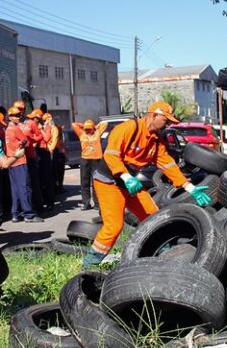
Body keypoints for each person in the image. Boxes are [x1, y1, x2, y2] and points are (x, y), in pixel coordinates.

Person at [82, 101, 213, 268]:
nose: (168, 124)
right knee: (114, 226)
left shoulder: (156, 140)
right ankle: (89, 264)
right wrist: (126, 176)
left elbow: (168, 165)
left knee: (153, 216)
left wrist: (190, 187)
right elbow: (111, 154)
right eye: (166, 120)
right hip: (108, 181)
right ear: (154, 115)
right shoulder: (129, 128)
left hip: (130, 182)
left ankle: (162, 253)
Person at [5, 106, 43, 223]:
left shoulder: (8, 129)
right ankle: (28, 214)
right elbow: (25, 142)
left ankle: (15, 213)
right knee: (24, 187)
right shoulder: (16, 129)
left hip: (11, 161)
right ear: (10, 117)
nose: (18, 117)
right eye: (16, 115)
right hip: (20, 161)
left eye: (19, 115)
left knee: (15, 188)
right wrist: (25, 141)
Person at [71, 118, 108, 210]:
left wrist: (94, 127)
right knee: (85, 182)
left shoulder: (98, 132)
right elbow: (73, 124)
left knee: (96, 182)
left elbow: (105, 123)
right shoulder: (81, 133)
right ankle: (86, 203)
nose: (87, 130)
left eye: (89, 128)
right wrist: (84, 125)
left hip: (96, 160)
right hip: (85, 160)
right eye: (86, 129)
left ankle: (97, 204)